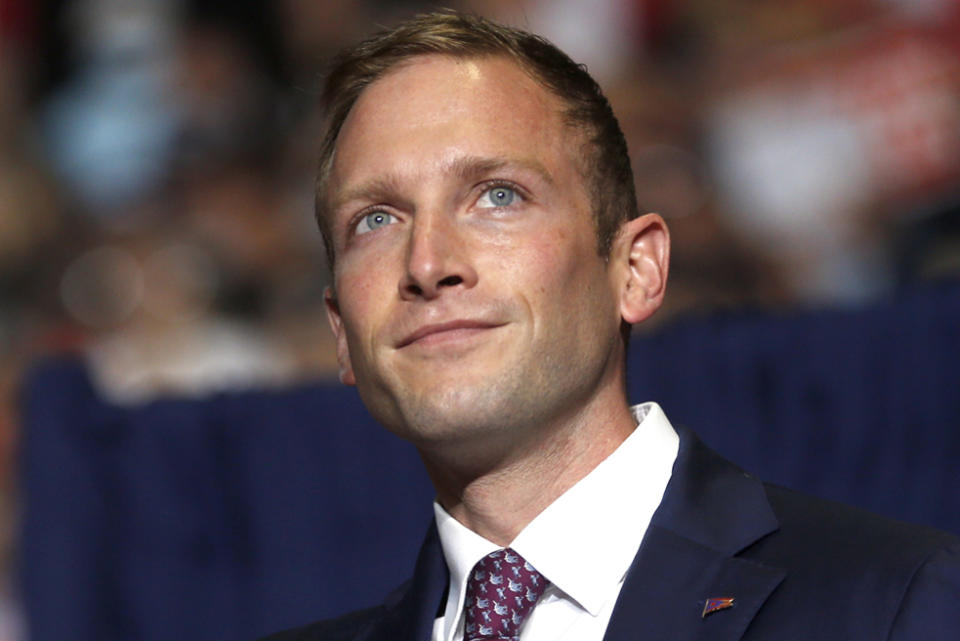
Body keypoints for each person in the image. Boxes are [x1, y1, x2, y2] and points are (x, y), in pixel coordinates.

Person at [261, 11, 960, 641]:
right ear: (342, 330)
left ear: (636, 269)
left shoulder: (891, 601)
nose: (428, 262)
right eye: (375, 220)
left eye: (498, 196)